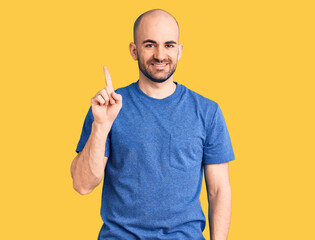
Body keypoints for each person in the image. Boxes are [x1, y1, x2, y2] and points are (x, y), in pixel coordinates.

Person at [70, 9, 235, 240]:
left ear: (179, 51)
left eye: (169, 45)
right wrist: (101, 126)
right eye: (149, 45)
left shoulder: (207, 111)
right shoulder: (107, 108)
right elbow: (82, 185)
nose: (160, 55)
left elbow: (218, 191)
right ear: (134, 50)